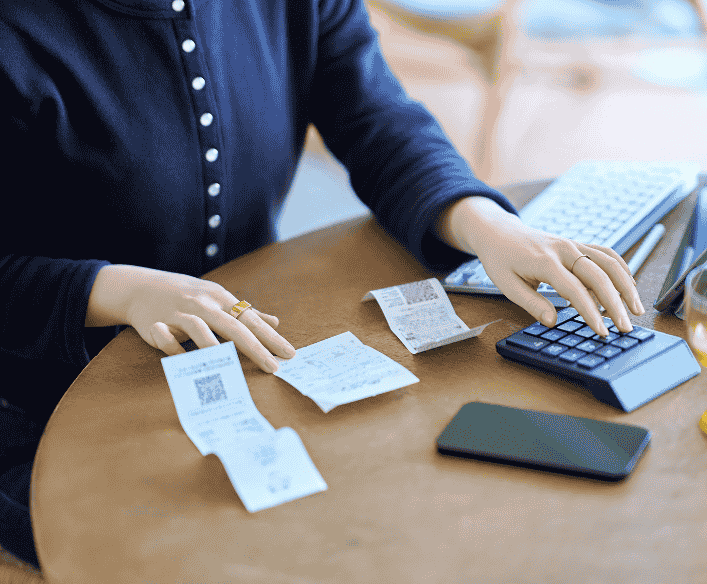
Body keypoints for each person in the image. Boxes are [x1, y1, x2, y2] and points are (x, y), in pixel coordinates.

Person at [0, 0, 644, 571]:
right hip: (50, 403)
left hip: (249, 363)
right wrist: (117, 290)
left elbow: (374, 117)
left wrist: (489, 228)